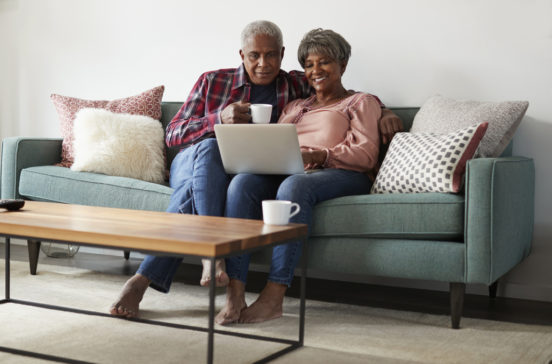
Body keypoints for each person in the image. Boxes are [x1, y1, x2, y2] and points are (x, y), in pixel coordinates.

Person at [109, 21, 401, 319]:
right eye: (254, 56)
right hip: (194, 159)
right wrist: (217, 120)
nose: (264, 64)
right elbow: (172, 134)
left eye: (272, 55)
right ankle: (214, 253)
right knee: (211, 151)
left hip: (259, 170)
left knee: (237, 184)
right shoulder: (216, 81)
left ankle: (149, 280)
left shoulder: (294, 87)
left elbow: (348, 97)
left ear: (282, 54)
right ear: (242, 54)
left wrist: (384, 110)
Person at [215, 28, 382, 325]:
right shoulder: (294, 106)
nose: (315, 70)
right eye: (308, 64)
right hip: (293, 170)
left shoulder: (360, 102)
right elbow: (276, 143)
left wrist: (319, 155)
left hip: (343, 173)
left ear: (343, 65)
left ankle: (274, 296)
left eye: (325, 62)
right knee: (242, 183)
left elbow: (367, 154)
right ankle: (235, 289)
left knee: (294, 185)